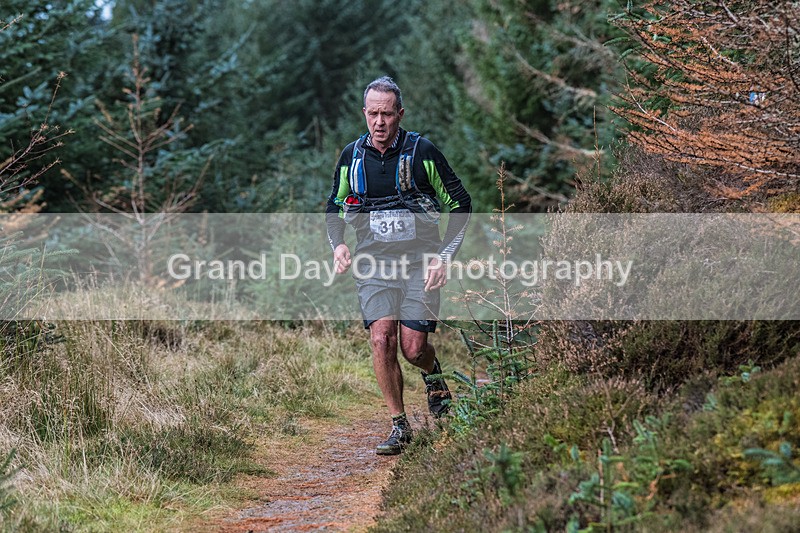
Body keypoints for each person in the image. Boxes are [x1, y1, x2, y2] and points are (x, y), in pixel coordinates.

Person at [325, 76, 471, 455]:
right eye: (373, 114)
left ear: (400, 114)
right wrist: (339, 245)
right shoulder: (352, 157)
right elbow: (334, 209)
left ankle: (433, 374)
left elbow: (461, 204)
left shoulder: (423, 152)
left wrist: (444, 257)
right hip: (373, 265)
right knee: (381, 338)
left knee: (413, 348)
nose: (380, 122)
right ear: (364, 113)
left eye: (387, 114)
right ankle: (399, 425)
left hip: (421, 264)